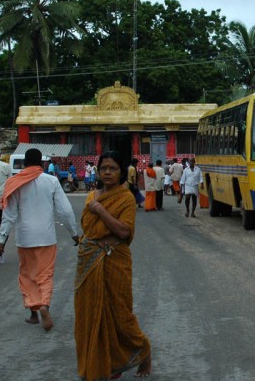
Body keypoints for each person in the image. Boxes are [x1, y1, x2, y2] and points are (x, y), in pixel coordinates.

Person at [75, 150, 151, 380]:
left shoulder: (125, 198)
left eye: (113, 168)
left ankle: (143, 349)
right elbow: (88, 228)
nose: (107, 172)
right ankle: (103, 365)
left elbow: (123, 231)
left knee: (120, 314)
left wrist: (100, 210)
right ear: (98, 171)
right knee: (89, 315)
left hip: (114, 258)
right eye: (104, 168)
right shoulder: (91, 196)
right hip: (89, 260)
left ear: (121, 172)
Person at [0, 148, 79, 331]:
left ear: (24, 163)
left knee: (27, 275)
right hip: (46, 238)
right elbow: (65, 211)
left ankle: (33, 312)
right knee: (45, 275)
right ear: (41, 163)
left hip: (24, 239)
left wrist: (1, 240)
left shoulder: (15, 183)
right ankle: (44, 306)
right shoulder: (51, 181)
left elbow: (9, 215)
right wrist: (74, 233)